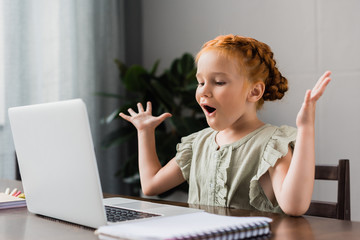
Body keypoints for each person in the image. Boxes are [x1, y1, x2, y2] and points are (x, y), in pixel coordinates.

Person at [119, 34, 331, 216]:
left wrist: (306, 128)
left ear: (254, 92)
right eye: (200, 82)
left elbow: (294, 206)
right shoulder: (197, 143)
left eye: (218, 82)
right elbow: (150, 185)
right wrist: (145, 132)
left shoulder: (272, 145)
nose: (203, 91)